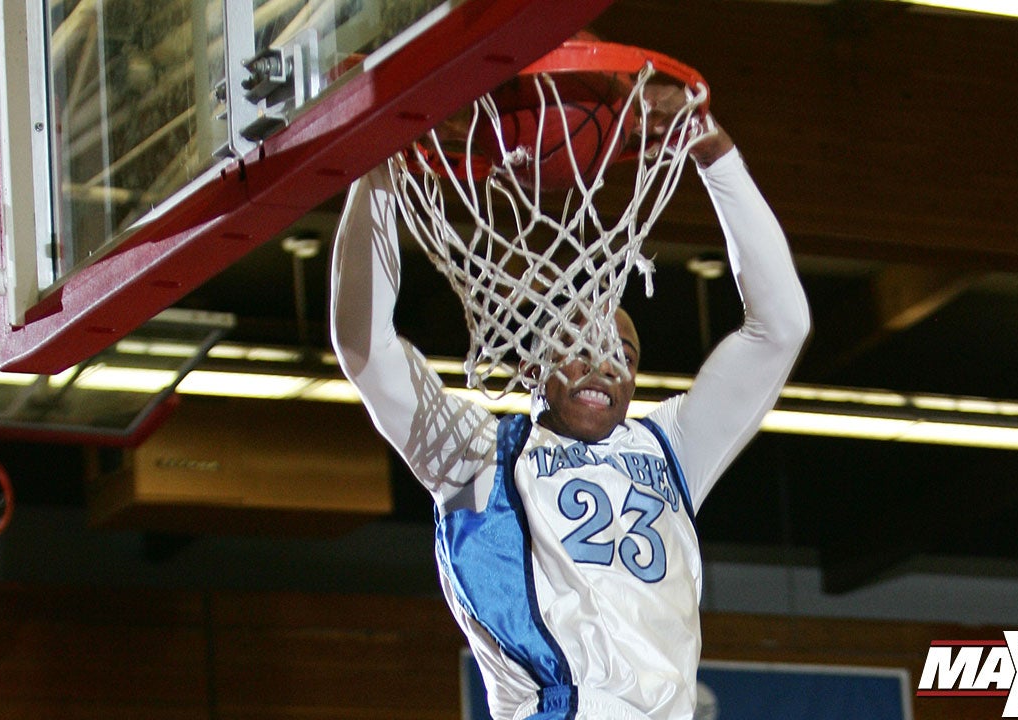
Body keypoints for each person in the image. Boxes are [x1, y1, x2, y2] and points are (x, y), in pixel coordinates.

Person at [329, 93, 811, 720]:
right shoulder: (481, 455)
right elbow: (366, 348)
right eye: (582, 348)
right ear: (533, 367)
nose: (605, 366)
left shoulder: (671, 448)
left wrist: (714, 152)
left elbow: (782, 328)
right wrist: (376, 171)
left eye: (622, 356)